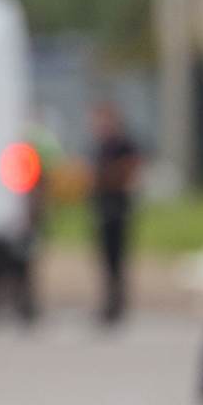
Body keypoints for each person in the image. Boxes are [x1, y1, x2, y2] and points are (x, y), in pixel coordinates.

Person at [90, 102, 140, 324]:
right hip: (101, 208)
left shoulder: (123, 145)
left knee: (118, 259)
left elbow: (128, 172)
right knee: (105, 260)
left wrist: (106, 177)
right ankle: (109, 302)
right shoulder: (100, 147)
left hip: (118, 209)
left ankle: (118, 304)